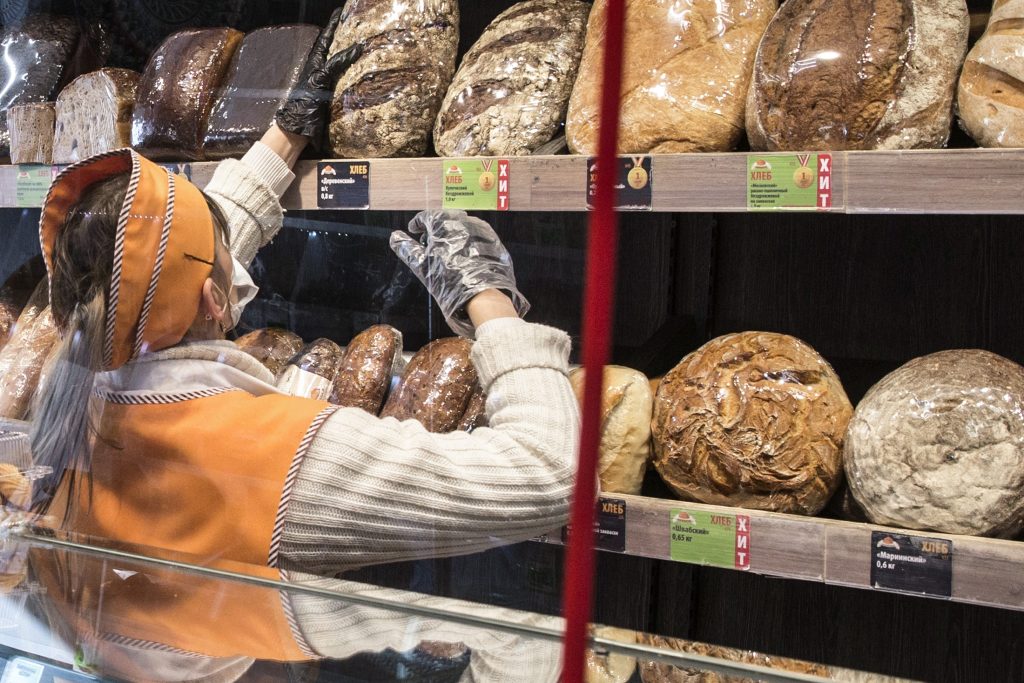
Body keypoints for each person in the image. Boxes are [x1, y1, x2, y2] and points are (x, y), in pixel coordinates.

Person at [27, 9, 579, 580]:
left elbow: (172, 273)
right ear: (218, 301)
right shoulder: (280, 457)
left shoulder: (70, 402)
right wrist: (490, 302)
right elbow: (544, 474)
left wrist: (287, 129)